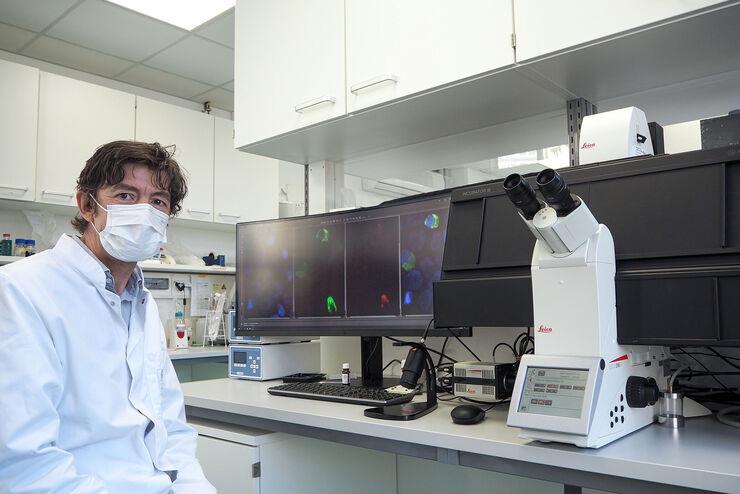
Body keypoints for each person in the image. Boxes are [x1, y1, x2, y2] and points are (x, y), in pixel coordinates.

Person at [0, 141, 216, 493]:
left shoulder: (141, 302)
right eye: (127, 196)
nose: (145, 211)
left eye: (158, 201)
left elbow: (170, 430)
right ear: (88, 205)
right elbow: (25, 464)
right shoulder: (20, 291)